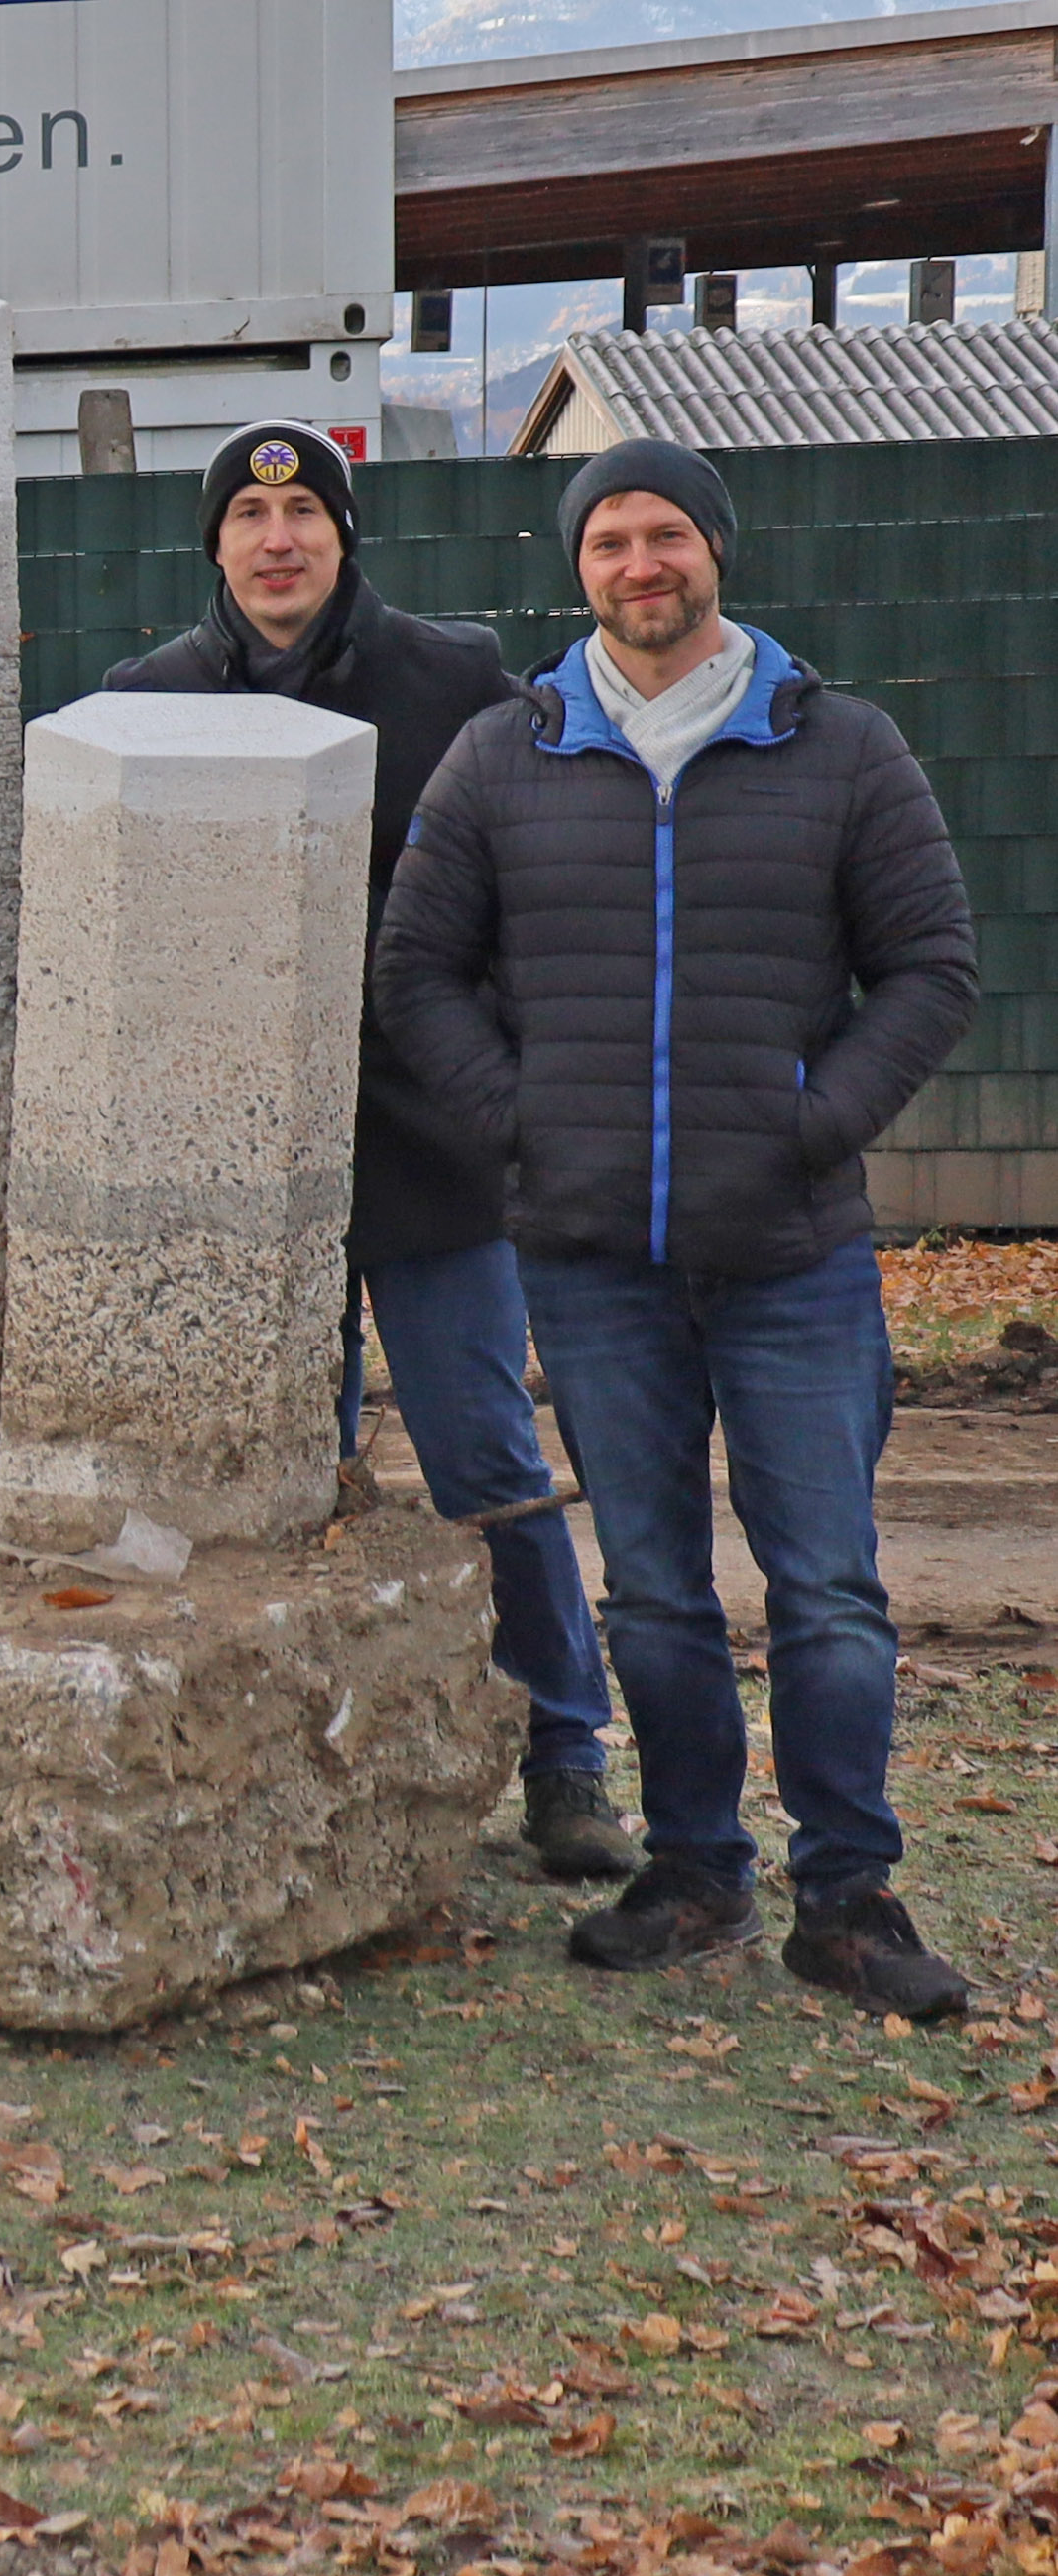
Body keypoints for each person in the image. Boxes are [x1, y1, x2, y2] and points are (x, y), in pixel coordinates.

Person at [375, 437, 980, 2018]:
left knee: (828, 1587)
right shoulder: (505, 756)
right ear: (576, 568)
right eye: (608, 543)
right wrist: (522, 1119)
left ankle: (847, 1894)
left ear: (716, 549)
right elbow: (416, 969)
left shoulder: (839, 748)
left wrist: (810, 1120)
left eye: (666, 537)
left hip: (790, 1254)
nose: (640, 567)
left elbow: (930, 969)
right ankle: (697, 1870)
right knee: (649, 1588)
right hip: (587, 1262)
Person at [104, 421, 638, 1883]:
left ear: (343, 534)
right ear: (213, 545)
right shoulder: (147, 703)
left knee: (480, 1449)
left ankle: (564, 1750)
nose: (278, 538)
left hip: (428, 1147)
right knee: (290, 1465)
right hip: (233, 1166)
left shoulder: (456, 684)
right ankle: (297, 1759)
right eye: (250, 515)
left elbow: (536, 891)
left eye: (305, 511)